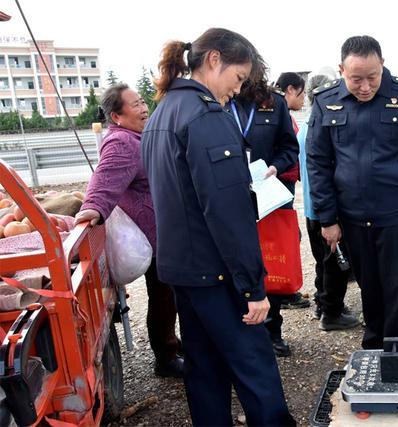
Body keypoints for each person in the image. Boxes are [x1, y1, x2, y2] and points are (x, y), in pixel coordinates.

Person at [140, 28, 295, 426]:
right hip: (218, 272)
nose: (236, 89)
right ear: (213, 60)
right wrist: (252, 287)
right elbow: (226, 212)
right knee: (254, 368)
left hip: (183, 270)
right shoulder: (206, 117)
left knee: (205, 370)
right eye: (238, 77)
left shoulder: (161, 112)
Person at [306, 35, 398, 349]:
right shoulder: (326, 101)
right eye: (356, 79)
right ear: (341, 71)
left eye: (372, 77)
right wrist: (327, 218)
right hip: (351, 215)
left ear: (382, 66)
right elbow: (317, 163)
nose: (365, 87)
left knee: (395, 286)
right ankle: (374, 345)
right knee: (367, 285)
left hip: (395, 214)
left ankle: (397, 349)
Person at [75, 84, 184, 378]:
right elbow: (104, 179)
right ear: (117, 116)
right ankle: (166, 356)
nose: (144, 107)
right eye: (135, 104)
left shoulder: (136, 136)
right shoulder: (122, 142)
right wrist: (93, 208)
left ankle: (171, 343)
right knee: (163, 295)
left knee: (168, 294)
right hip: (151, 236)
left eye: (142, 101)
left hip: (161, 231)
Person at [228, 68, 301, 357]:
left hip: (270, 194)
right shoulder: (219, 100)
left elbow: (289, 148)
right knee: (236, 258)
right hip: (231, 196)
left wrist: (275, 167)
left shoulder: (274, 103)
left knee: (271, 260)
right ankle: (240, 330)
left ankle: (272, 330)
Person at [297, 73, 360, 331]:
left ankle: (323, 305)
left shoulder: (305, 127)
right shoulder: (323, 127)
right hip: (327, 210)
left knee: (324, 260)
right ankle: (331, 312)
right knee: (334, 262)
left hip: (314, 209)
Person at [272, 72, 312, 312]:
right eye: (301, 93)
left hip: (285, 186)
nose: (304, 98)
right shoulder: (275, 117)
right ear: (289, 90)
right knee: (281, 241)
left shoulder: (283, 115)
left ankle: (286, 288)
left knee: (290, 238)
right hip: (277, 187)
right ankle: (282, 289)